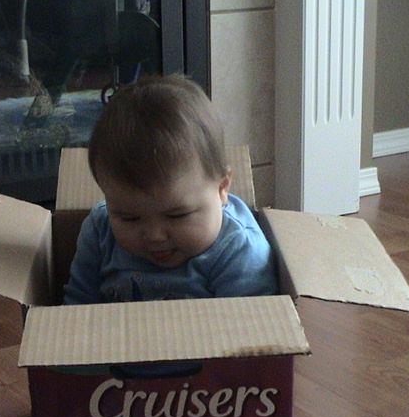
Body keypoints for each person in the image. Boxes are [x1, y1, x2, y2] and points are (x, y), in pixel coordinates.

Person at [63, 74, 277, 305]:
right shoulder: (99, 232)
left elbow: (249, 323)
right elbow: (77, 305)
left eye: (177, 215)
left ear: (222, 188)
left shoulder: (239, 251)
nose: (155, 236)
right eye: (130, 218)